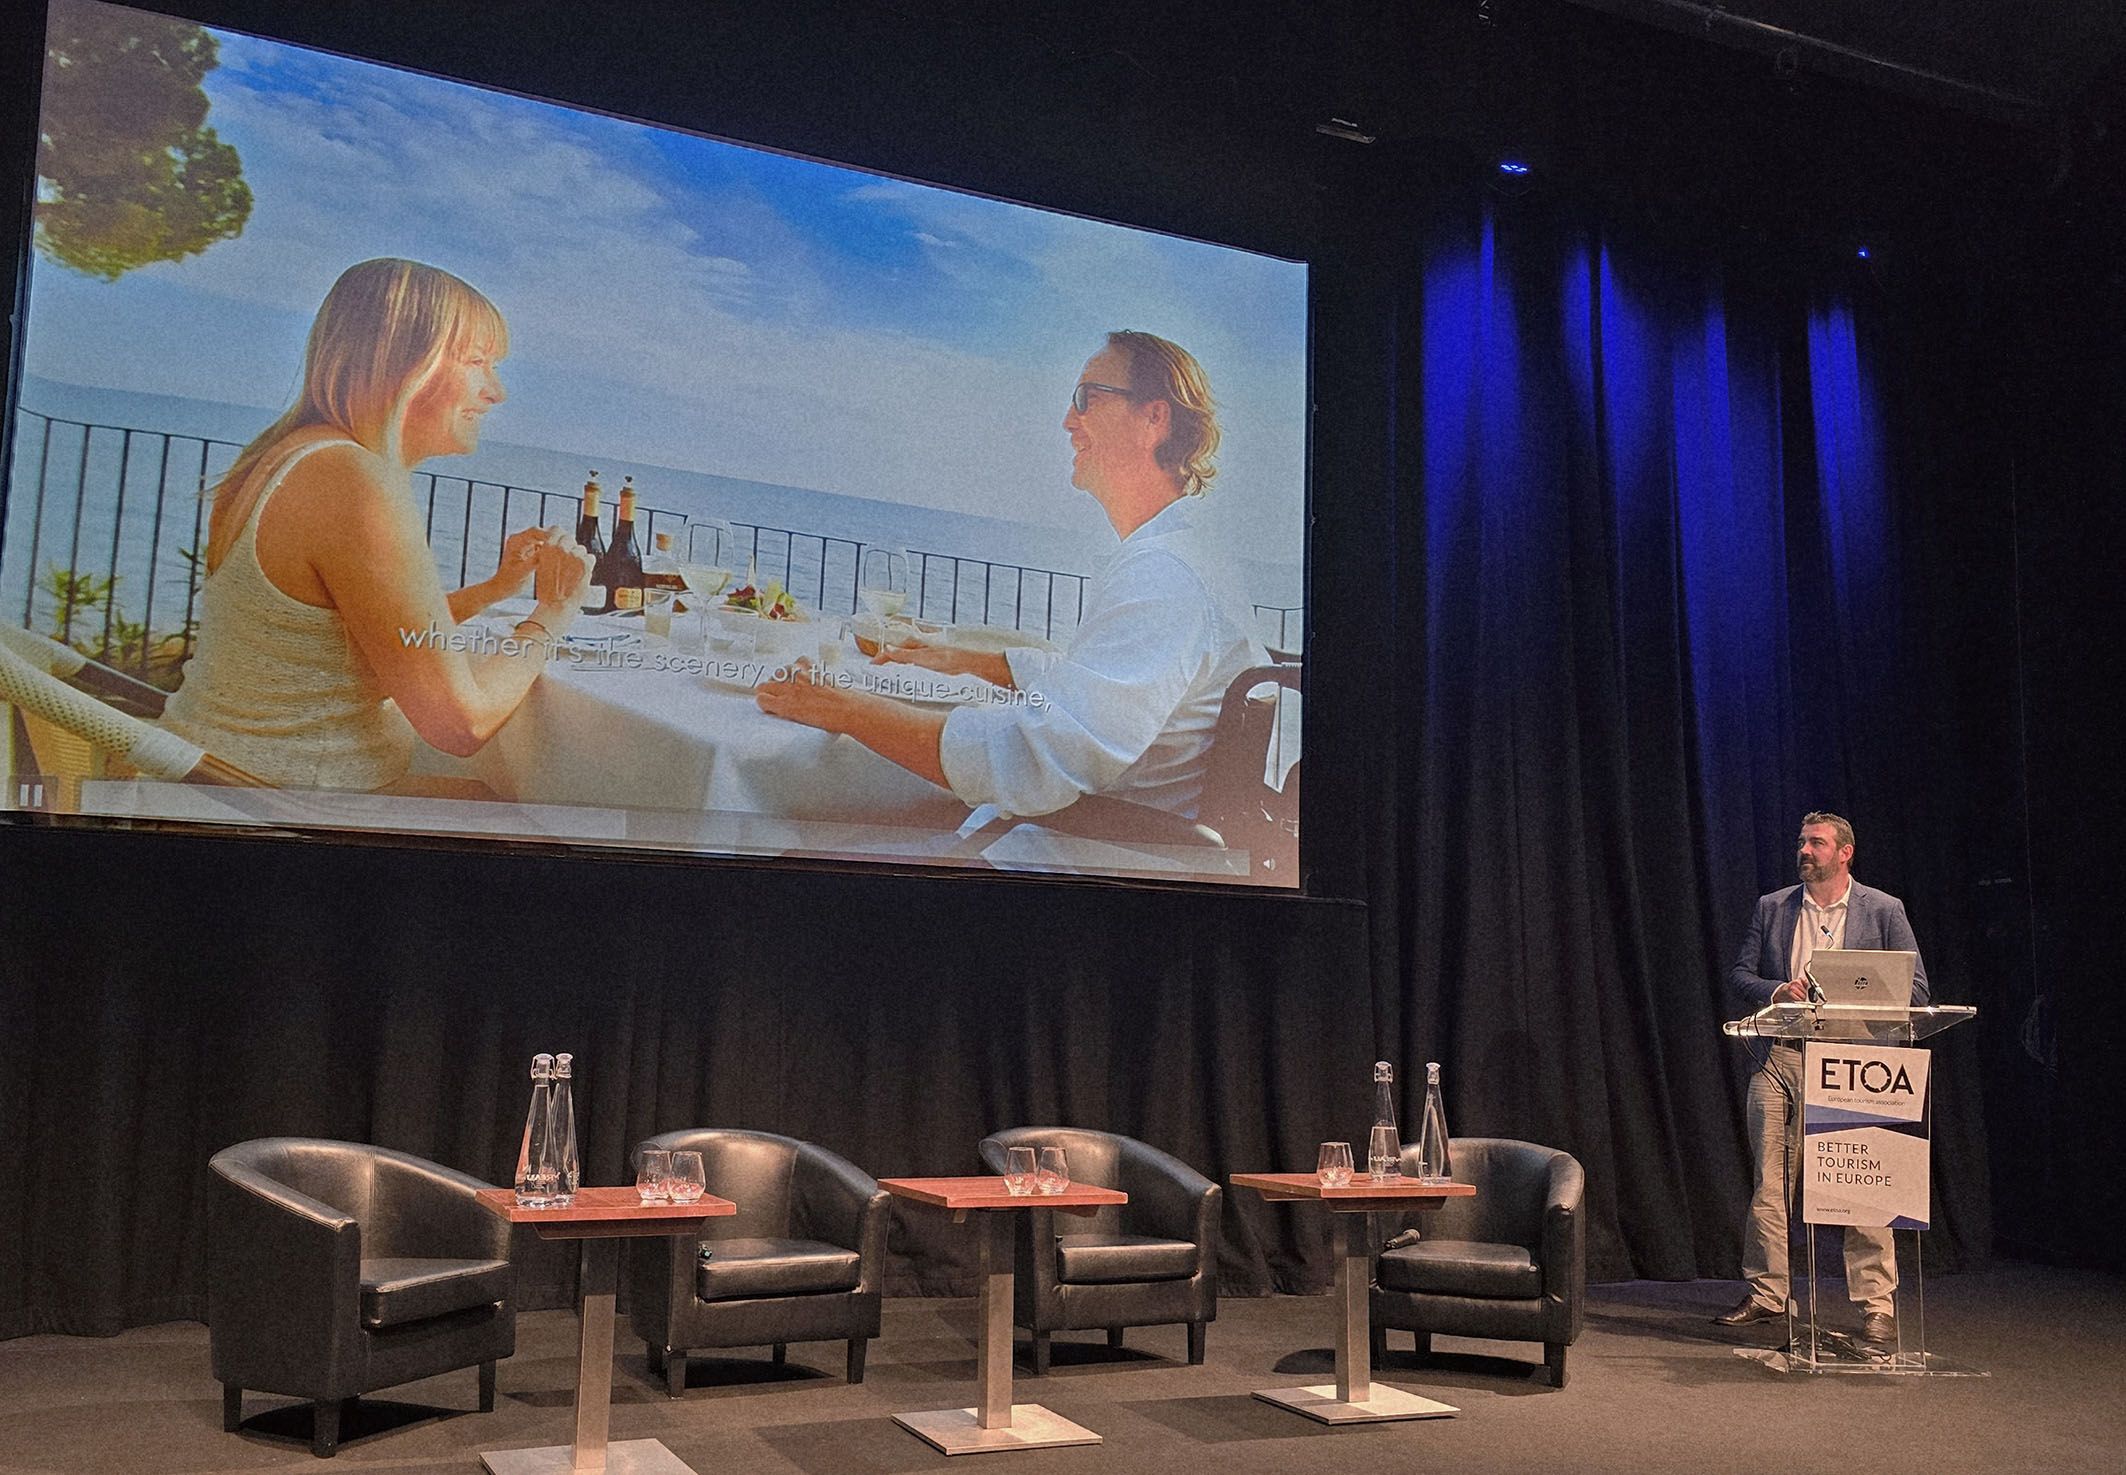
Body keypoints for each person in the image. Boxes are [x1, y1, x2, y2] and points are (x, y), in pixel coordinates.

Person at [755, 330, 1265, 820]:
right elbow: (1095, 693)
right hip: (1083, 834)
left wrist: (840, 707)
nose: (1069, 419)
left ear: (1154, 418)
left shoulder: (1166, 575)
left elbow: (1035, 757)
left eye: (1088, 397)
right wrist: (968, 660)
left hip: (1073, 855)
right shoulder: (1185, 554)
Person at [162, 258, 591, 791]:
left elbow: (365, 636)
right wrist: (555, 611)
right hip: (273, 807)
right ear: (403, 365)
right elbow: (461, 725)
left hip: (215, 773)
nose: (496, 391)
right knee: (543, 816)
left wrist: (494, 590)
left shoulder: (291, 453)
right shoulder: (353, 479)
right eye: (477, 361)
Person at [1720, 811, 1930, 1346]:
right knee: (1771, 1183)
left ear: (1845, 853)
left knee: (1863, 1188)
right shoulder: (1773, 908)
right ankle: (1769, 1292)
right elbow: (1740, 975)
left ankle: (1876, 1306)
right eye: (1801, 842)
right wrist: (1776, 990)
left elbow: (1919, 993)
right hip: (1782, 1059)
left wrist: (1858, 995)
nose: (1805, 851)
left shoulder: (1883, 910)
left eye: (1816, 843)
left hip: (1855, 1065)